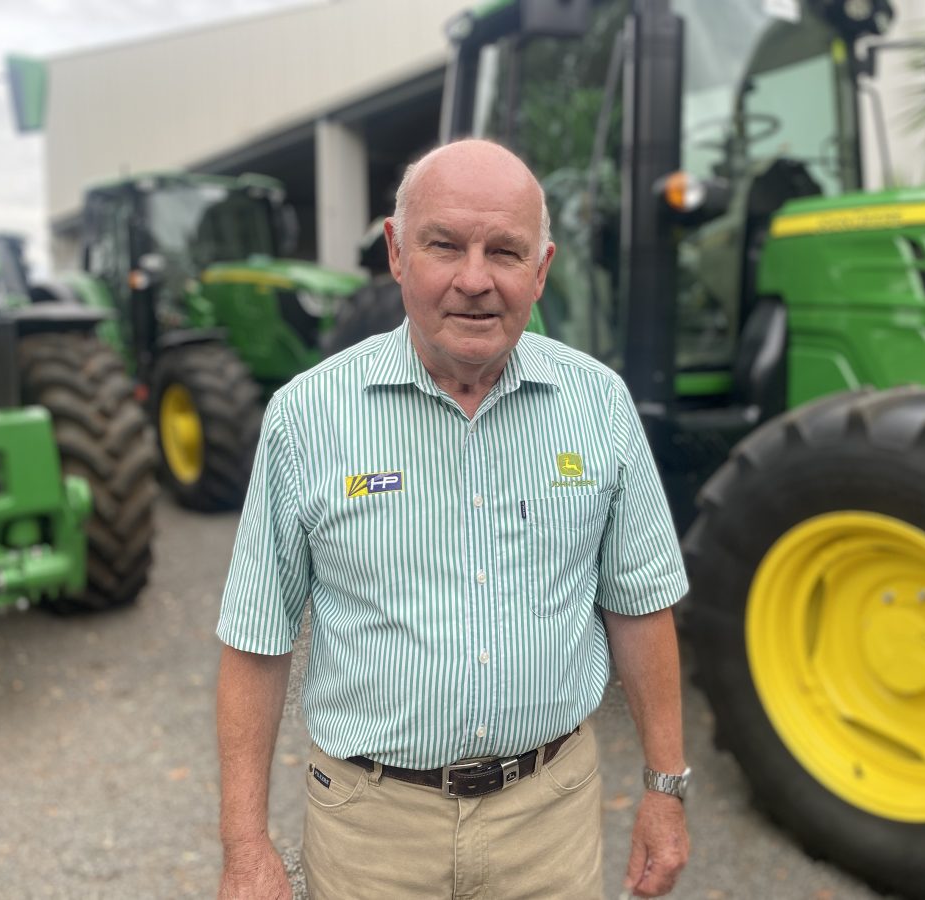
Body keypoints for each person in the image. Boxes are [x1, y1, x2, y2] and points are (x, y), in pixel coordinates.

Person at [215, 138, 690, 899]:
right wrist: (245, 844)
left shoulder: (599, 406)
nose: (475, 281)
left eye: (505, 251)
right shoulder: (307, 417)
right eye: (445, 246)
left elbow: (639, 605)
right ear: (398, 253)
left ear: (542, 269)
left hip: (550, 820)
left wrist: (666, 788)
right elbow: (256, 641)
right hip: (371, 830)